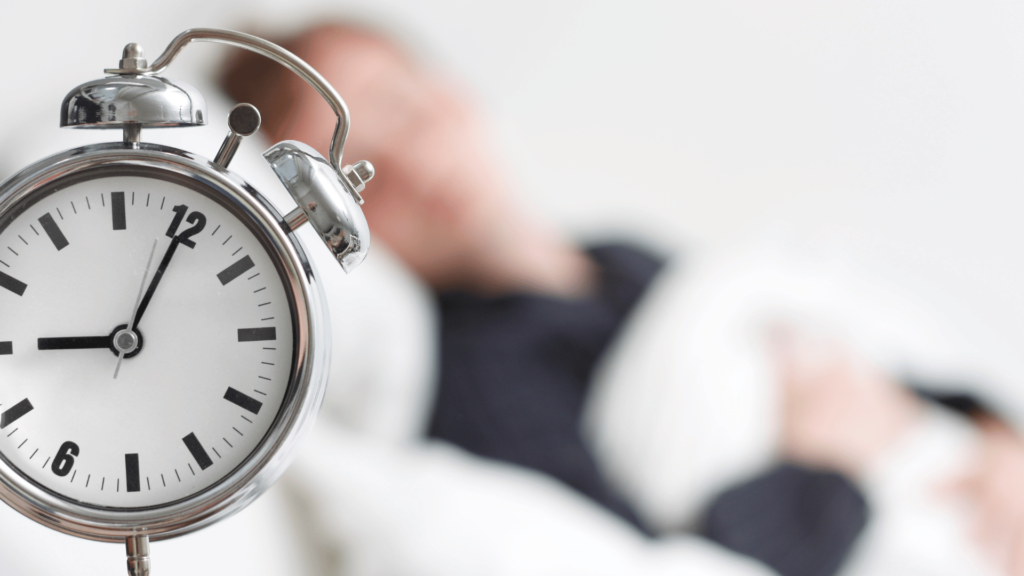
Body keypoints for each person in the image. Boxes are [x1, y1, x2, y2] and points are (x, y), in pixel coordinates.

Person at [222, 22, 1024, 576]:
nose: (417, 169)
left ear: (455, 96)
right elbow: (671, 556)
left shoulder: (629, 263)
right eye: (363, 176)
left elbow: (844, 356)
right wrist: (832, 468)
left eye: (403, 111)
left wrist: (989, 436)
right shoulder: (478, 387)